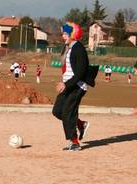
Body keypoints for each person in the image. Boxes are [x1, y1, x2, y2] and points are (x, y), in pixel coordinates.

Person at [52, 22, 92, 151]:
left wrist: (66, 83)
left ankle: (74, 142)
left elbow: (80, 72)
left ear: (73, 34)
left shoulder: (79, 49)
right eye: (63, 33)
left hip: (78, 86)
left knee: (68, 112)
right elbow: (67, 69)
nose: (63, 36)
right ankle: (80, 124)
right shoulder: (67, 47)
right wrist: (63, 81)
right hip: (68, 84)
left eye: (66, 34)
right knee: (57, 111)